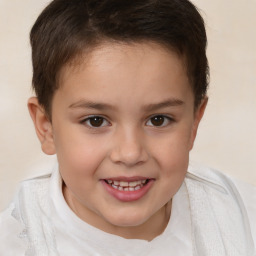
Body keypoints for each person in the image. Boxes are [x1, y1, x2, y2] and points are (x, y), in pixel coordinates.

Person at [0, 0, 255, 255]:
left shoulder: (243, 218)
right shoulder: (13, 243)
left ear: (194, 122)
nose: (130, 153)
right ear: (47, 128)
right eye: (96, 121)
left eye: (158, 120)